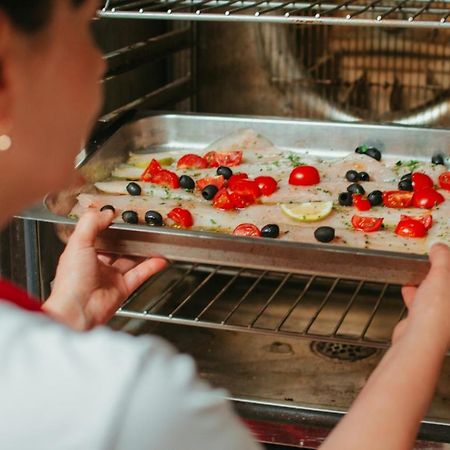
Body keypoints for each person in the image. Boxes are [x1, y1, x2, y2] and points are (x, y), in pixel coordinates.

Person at [0, 1, 448, 449]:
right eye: (83, 29)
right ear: (5, 70)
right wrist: (424, 336)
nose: (100, 61)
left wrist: (66, 317)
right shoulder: (125, 400)